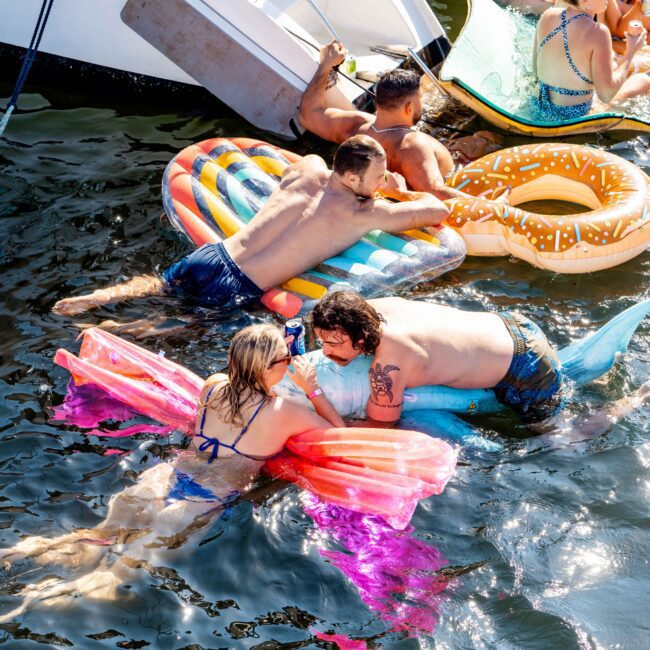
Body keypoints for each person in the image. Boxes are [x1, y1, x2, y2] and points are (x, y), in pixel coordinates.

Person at [0, 323, 346, 620]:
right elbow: (339, 435)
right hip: (206, 497)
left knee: (103, 533)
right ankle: (37, 600)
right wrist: (310, 386)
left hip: (169, 474)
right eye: (285, 359)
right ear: (267, 367)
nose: (289, 363)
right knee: (122, 569)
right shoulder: (284, 411)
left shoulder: (213, 384)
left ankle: (23, 552)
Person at [52, 135, 448, 317]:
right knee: (174, 326)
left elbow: (302, 166)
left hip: (213, 255)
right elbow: (436, 213)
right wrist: (398, 190)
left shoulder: (310, 167)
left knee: (160, 285)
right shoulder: (365, 214)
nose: (380, 182)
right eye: (377, 176)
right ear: (355, 178)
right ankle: (115, 332)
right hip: (240, 286)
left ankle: (99, 297)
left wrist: (371, 182)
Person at [308, 290, 650, 427]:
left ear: (362, 337)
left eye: (335, 343)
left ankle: (634, 400)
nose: (326, 352)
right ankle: (599, 371)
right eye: (321, 342)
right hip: (515, 326)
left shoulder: (389, 362)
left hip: (525, 370)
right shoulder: (379, 307)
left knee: (562, 443)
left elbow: (382, 426)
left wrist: (322, 412)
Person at [298, 43, 508, 202]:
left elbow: (308, 115)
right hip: (438, 182)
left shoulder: (356, 126)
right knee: (490, 140)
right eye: (418, 102)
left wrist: (326, 65)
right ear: (409, 108)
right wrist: (491, 205)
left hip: (371, 191)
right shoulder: (414, 146)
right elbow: (435, 192)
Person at [533, 0, 650, 121]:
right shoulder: (599, 32)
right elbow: (606, 95)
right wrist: (631, 51)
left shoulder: (548, 15)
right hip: (573, 116)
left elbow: (536, 71)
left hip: (537, 104)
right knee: (642, 80)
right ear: (585, 1)